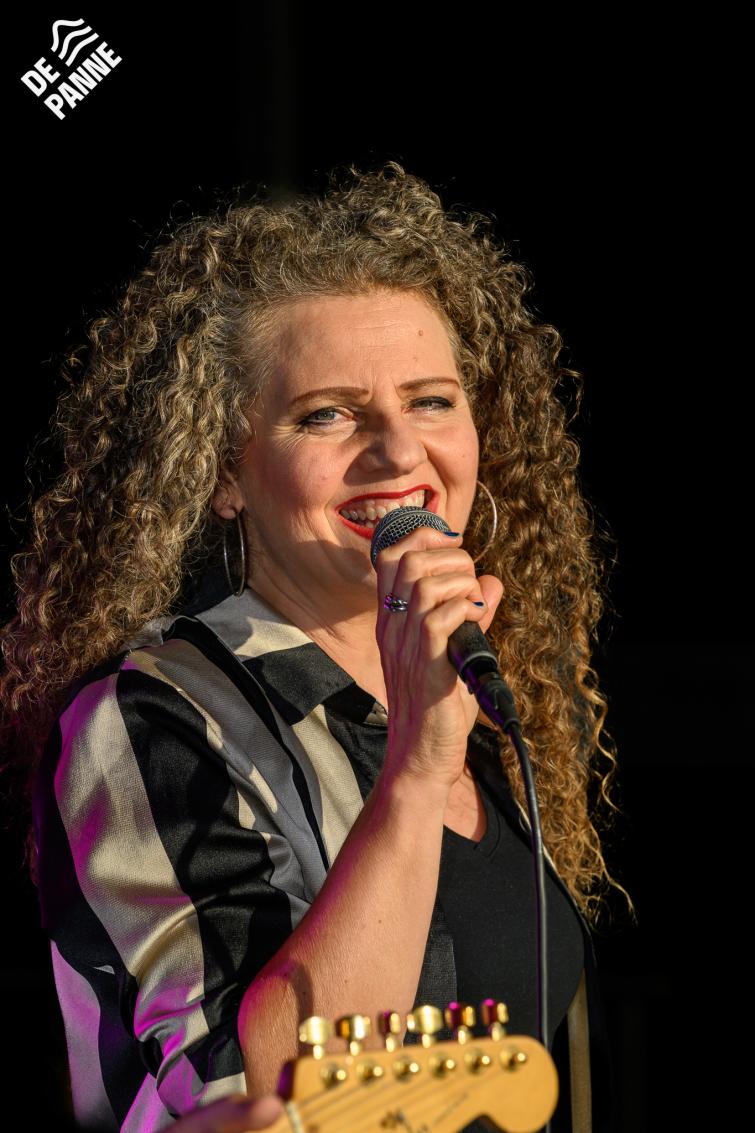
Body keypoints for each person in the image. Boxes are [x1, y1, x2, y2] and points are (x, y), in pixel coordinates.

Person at [0, 161, 629, 1133]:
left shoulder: (470, 694)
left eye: (430, 400)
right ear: (223, 473)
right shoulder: (148, 717)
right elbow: (250, 1096)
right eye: (326, 414)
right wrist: (415, 771)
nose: (399, 452)